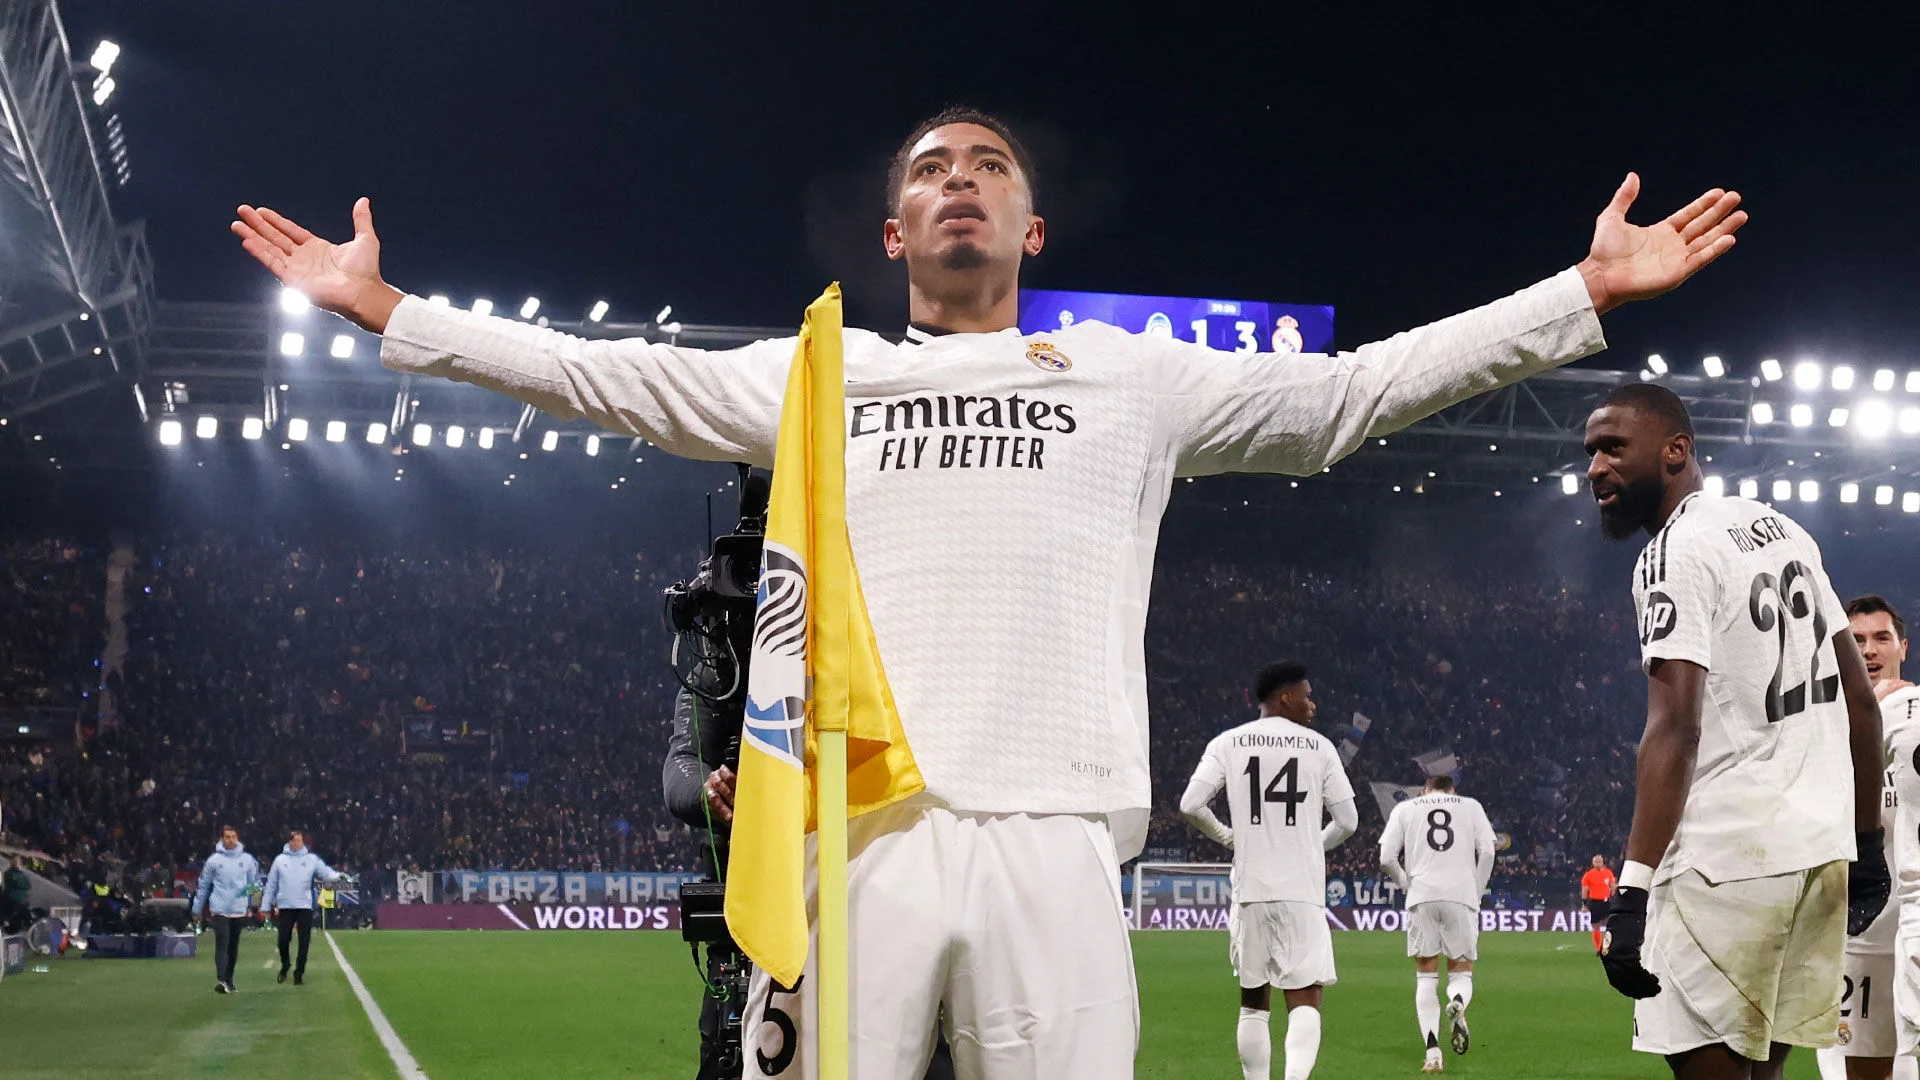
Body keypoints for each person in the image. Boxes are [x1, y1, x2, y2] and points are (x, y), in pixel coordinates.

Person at [234, 105, 1745, 1079]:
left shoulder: (1134, 375)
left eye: (989, 170)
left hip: (1056, 829)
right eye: (929, 173)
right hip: (854, 832)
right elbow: (604, 377)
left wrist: (1581, 298)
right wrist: (394, 313)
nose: (959, 183)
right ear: (895, 237)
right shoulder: (818, 372)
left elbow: (1351, 398)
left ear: (1033, 231)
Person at [1582, 383, 1889, 1080]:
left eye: (1613, 448)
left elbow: (1675, 729)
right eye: (1590, 452)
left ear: (1676, 451)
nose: (1595, 468)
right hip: (1819, 853)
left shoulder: (1674, 551)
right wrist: (1866, 846)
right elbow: (1860, 704)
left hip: (1727, 861)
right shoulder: (1784, 529)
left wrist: (1630, 891)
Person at [1181, 662, 1358, 1080]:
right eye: (1307, 695)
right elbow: (1348, 821)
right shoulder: (1319, 747)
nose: (1312, 704)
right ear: (1285, 698)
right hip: (1302, 892)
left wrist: (1229, 837)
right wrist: (1312, 844)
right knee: (1305, 998)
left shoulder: (1229, 742)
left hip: (1251, 890)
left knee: (1253, 1002)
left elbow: (1191, 805)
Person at [1818, 597, 1920, 1080]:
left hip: (1913, 923)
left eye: (1881, 638)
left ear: (1903, 647)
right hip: (1858, 930)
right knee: (1860, 1069)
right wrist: (1867, 713)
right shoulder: (1817, 723)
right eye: (1856, 641)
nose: (1870, 650)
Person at [1378, 775, 1495, 1073]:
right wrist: (1477, 892)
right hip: (1461, 895)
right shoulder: (1470, 806)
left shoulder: (1406, 808)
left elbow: (1386, 858)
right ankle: (1456, 1001)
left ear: (1426, 790)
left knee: (1425, 979)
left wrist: (1406, 883)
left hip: (1422, 895)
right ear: (1453, 790)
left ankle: (1433, 1052)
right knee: (1461, 972)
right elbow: (1489, 852)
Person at [261, 830, 346, 986]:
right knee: (283, 940)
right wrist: (265, 905)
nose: (298, 843)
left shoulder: (311, 859)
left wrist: (338, 876)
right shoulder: (280, 860)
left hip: (304, 905)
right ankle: (285, 964)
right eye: (295, 840)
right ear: (290, 842)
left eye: (300, 840)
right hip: (285, 905)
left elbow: (326, 872)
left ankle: (299, 972)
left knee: (304, 941)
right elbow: (271, 884)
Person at [190, 826, 261, 994]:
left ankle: (229, 979)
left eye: (234, 836)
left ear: (238, 838)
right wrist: (197, 910)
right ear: (221, 839)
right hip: (219, 909)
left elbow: (255, 884)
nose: (231, 840)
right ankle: (221, 979)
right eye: (228, 837)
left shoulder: (247, 860)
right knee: (222, 943)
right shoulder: (213, 861)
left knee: (233, 946)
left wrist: (246, 899)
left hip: (239, 909)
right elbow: (203, 886)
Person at [1581, 855, 1617, 956]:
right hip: (1594, 902)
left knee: (1612, 924)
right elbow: (1585, 890)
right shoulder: (1588, 875)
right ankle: (1598, 948)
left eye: (1600, 861)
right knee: (1596, 926)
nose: (1598, 863)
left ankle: (1609, 946)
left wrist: (1614, 898)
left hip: (1606, 902)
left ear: (1603, 862)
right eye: (1596, 862)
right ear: (1593, 863)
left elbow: (1613, 886)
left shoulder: (1608, 873)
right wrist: (1584, 904)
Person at [1, 855, 31, 933]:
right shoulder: (14, 874)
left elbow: (26, 885)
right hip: (14, 899)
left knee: (11, 913)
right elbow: (26, 885)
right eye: (19, 862)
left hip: (13, 898)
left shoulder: (13, 873)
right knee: (12, 913)